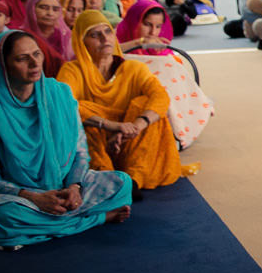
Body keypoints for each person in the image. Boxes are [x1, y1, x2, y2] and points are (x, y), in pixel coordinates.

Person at [0, 28, 134, 247]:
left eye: (36, 54)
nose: (34, 64)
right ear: (3, 66)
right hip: (20, 198)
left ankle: (55, 219)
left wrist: (75, 187)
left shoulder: (60, 94)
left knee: (122, 183)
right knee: (0, 217)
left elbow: (80, 152)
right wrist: (35, 198)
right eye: (22, 59)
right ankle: (96, 218)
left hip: (64, 188)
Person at [58, 11, 190, 190]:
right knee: (77, 111)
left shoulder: (133, 68)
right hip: (97, 141)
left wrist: (135, 126)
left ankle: (134, 180)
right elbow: (64, 105)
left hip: (131, 140)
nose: (104, 39)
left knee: (146, 106)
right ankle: (106, 178)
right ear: (82, 43)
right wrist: (112, 126)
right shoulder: (72, 70)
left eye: (108, 32)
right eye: (95, 35)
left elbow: (160, 96)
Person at [114, 0, 214, 148]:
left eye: (158, 27)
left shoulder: (162, 48)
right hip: (133, 91)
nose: (153, 33)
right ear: (134, 21)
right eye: (147, 25)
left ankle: (176, 129)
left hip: (160, 95)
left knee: (171, 69)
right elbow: (112, 53)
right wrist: (138, 42)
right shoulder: (117, 38)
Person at [27, 0, 73, 76]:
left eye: (55, 9)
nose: (50, 13)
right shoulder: (23, 36)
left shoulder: (66, 38)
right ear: (32, 9)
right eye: (44, 8)